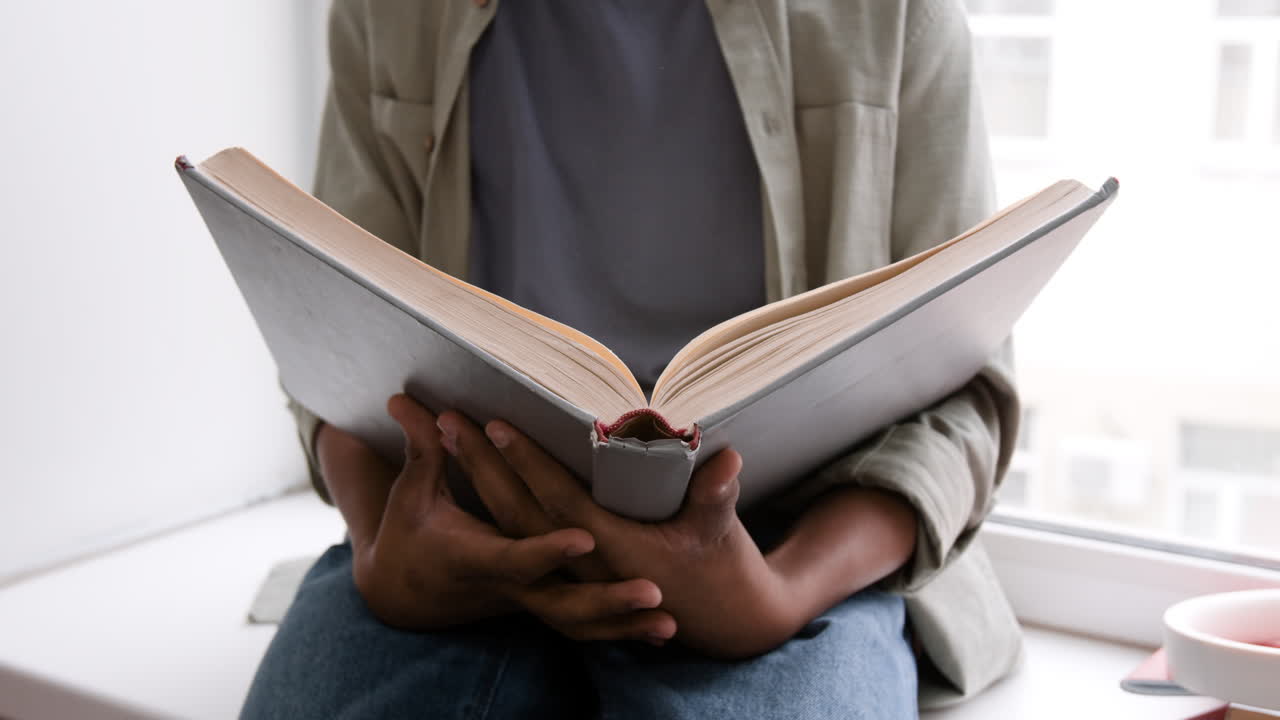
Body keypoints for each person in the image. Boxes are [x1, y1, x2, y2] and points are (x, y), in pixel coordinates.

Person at [241, 0, 1024, 717]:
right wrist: (384, 548)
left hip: (781, 545)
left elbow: (961, 391)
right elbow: (331, 329)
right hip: (464, 541)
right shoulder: (390, 13)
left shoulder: (892, 16)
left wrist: (783, 591)